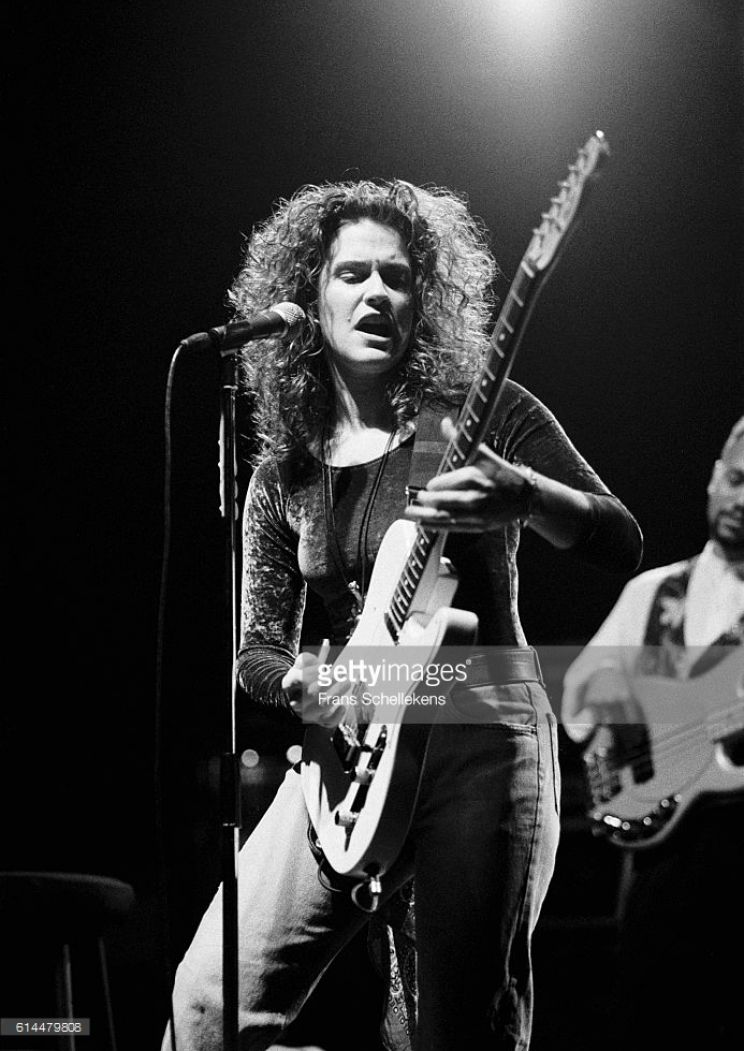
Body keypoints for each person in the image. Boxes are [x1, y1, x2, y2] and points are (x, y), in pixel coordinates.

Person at [164, 178, 643, 1051]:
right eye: (352, 274)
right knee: (206, 1003)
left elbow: (620, 537)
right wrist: (304, 680)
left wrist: (526, 495)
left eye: (398, 276)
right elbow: (256, 649)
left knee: (451, 1030)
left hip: (478, 731)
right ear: (309, 296)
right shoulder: (284, 475)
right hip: (348, 755)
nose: (377, 293)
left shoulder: (483, 417)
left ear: (426, 298)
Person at [562, 417, 744, 1050]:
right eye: (736, 479)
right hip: (663, 852)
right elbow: (578, 696)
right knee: (651, 1017)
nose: (742, 500)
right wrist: (626, 721)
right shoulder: (654, 590)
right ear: (713, 479)